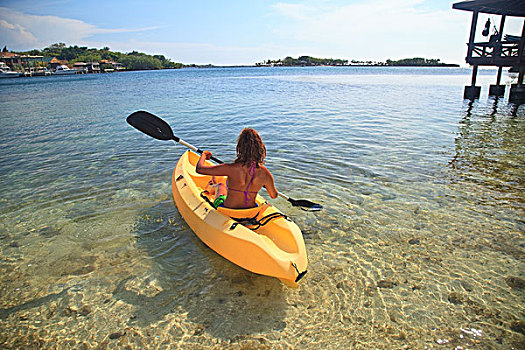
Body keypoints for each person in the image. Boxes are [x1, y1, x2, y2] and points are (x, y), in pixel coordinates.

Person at [196, 128, 278, 209]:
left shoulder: (231, 168)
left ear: (240, 148)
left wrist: (204, 154)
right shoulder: (265, 173)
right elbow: (274, 195)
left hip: (228, 209)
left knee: (220, 186)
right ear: (260, 148)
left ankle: (211, 186)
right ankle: (212, 185)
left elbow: (200, 169)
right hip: (251, 211)